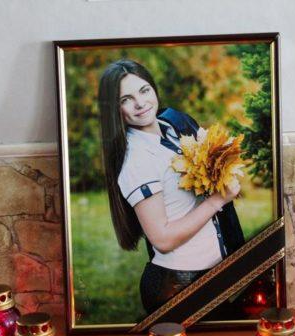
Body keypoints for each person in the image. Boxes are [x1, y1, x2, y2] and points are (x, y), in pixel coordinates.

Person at [98, 59, 245, 315]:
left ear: (153, 88)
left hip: (212, 275)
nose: (140, 103)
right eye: (126, 99)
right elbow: (162, 239)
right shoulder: (137, 160)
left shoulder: (174, 127)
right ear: (115, 109)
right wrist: (217, 200)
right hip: (179, 286)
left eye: (144, 90)